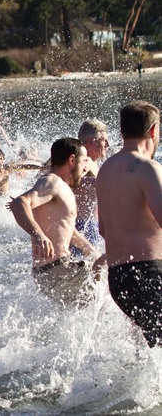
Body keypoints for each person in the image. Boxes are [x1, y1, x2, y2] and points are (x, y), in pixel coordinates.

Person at [96, 101, 162, 347]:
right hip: (149, 274)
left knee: (150, 349)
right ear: (153, 131)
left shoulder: (106, 170)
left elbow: (103, 229)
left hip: (118, 278)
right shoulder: (148, 169)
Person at [10, 137, 103, 306]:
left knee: (91, 305)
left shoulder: (62, 187)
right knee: (110, 278)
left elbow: (68, 229)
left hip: (51, 271)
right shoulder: (52, 181)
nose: (85, 167)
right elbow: (19, 203)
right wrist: (38, 235)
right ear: (72, 160)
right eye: (83, 161)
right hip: (58, 268)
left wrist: (90, 250)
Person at [71, 119, 109, 254]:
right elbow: (60, 180)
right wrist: (86, 182)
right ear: (92, 142)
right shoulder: (85, 161)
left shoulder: (76, 158)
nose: (108, 145)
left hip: (87, 225)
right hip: (83, 227)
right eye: (104, 140)